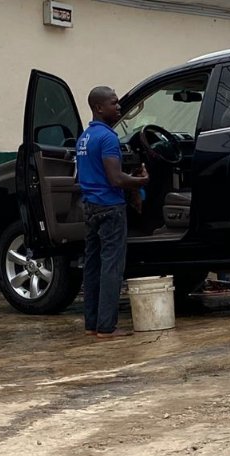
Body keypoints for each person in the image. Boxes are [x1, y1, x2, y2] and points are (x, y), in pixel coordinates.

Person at [76, 86, 149, 337]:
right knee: (112, 267)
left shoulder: (85, 137)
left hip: (90, 208)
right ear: (99, 108)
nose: (118, 107)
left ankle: (92, 324)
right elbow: (116, 178)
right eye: (114, 103)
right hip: (110, 208)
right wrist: (141, 182)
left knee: (93, 266)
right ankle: (107, 327)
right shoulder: (107, 138)